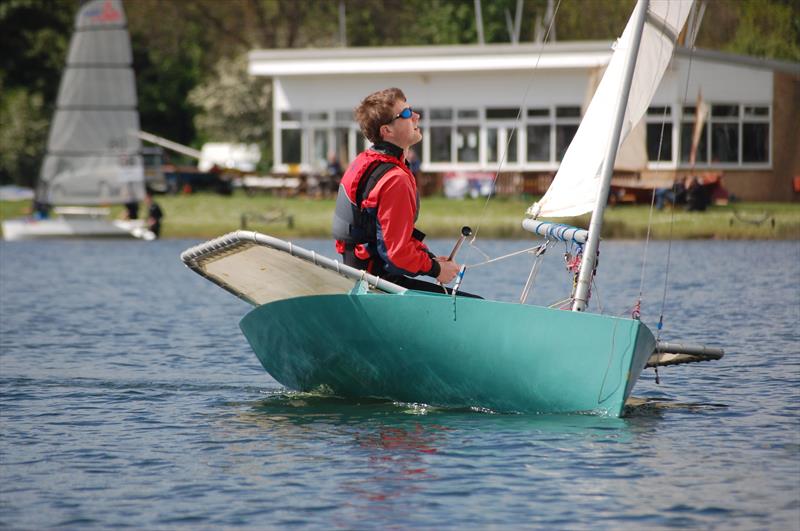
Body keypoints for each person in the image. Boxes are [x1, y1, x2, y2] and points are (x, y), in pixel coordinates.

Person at [332, 87, 465, 295]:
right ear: (387, 131)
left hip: (363, 281)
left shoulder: (365, 161)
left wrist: (429, 259)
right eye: (405, 114)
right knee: (479, 304)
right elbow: (396, 254)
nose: (416, 116)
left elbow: (387, 239)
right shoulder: (395, 179)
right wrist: (437, 270)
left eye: (411, 110)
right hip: (377, 288)